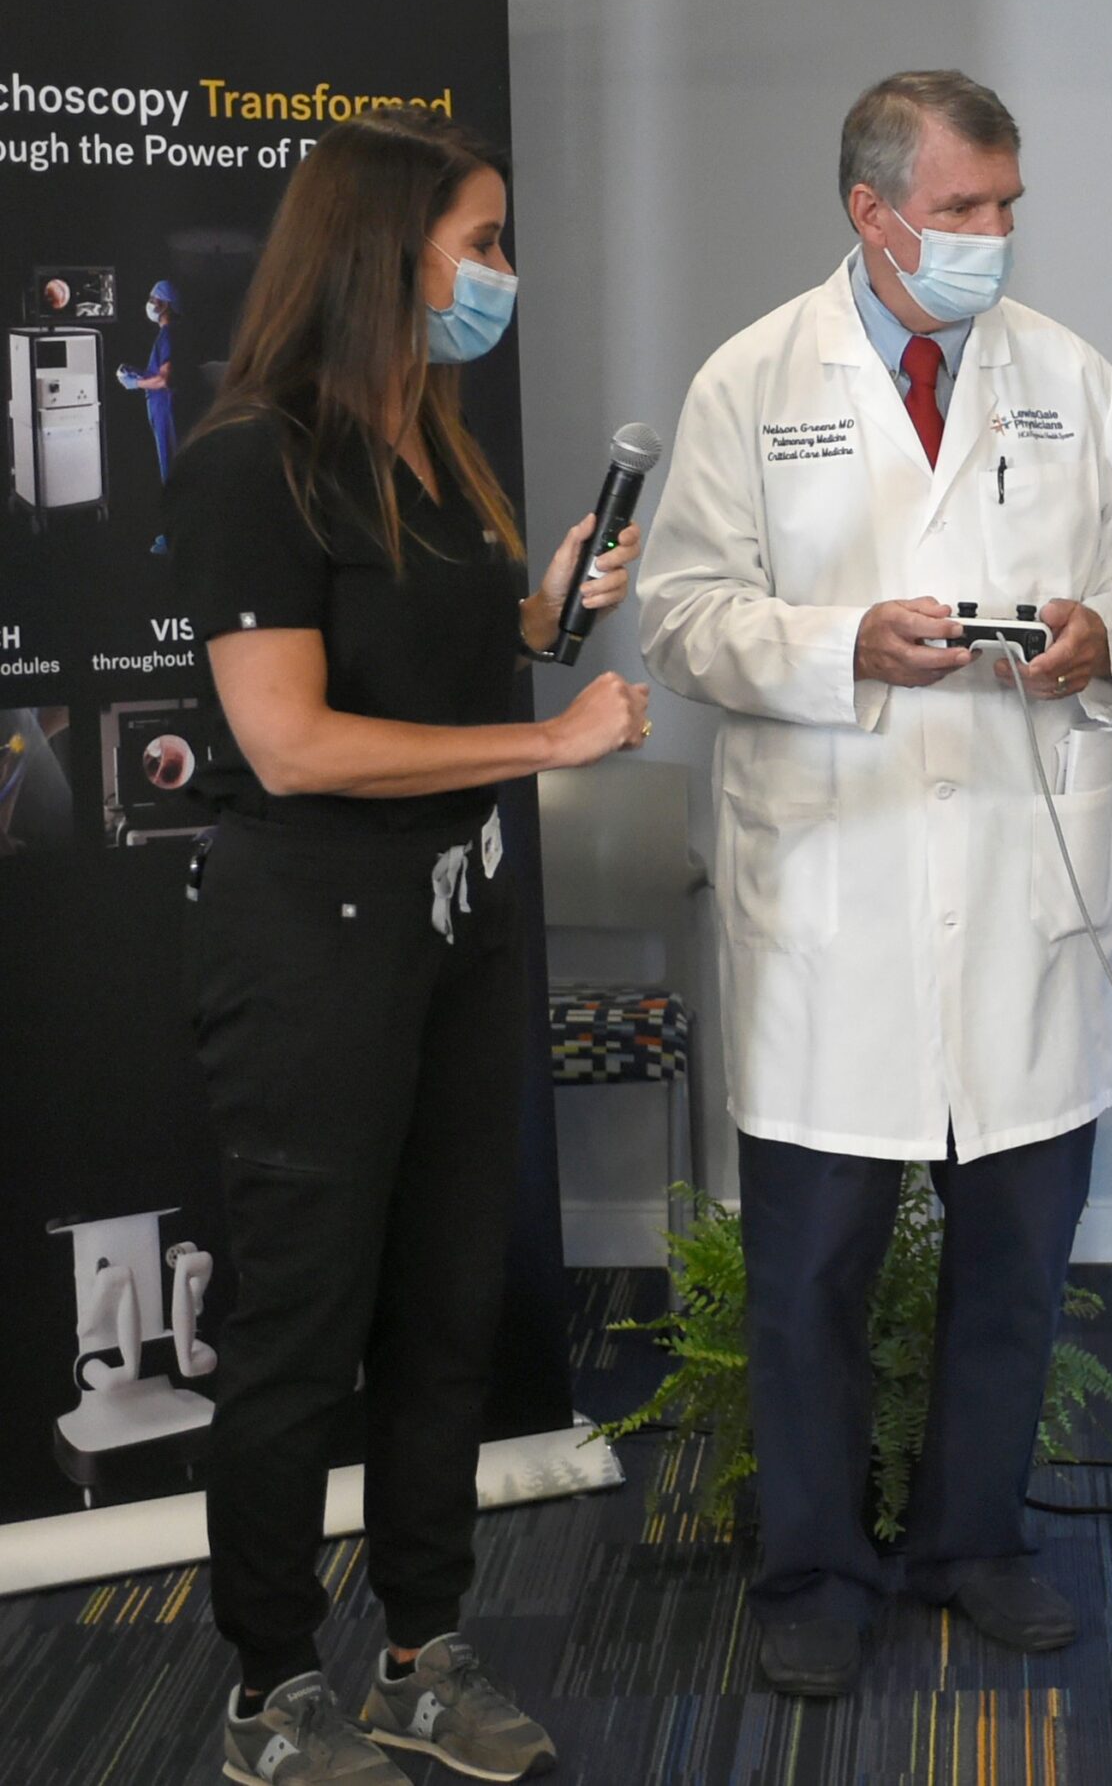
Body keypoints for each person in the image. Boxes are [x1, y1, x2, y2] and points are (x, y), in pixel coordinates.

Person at [638, 69, 1112, 1697]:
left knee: (1016, 1259)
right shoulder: (755, 380)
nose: (993, 238)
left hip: (1025, 889)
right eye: (962, 210)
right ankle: (812, 1567)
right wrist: (838, 647)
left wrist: (1106, 637)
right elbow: (680, 613)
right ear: (873, 214)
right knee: (811, 1271)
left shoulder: (1069, 378)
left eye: (1008, 206)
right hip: (835, 893)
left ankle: (972, 1538)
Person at [167, 108, 651, 1784]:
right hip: (311, 935)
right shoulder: (250, 459)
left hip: (455, 924)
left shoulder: (433, 440)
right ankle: (269, 1685)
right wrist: (549, 742)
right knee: (304, 1327)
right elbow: (293, 739)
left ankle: (424, 1652)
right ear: (390, 252)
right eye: (484, 240)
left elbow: (450, 649)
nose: (502, 274)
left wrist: (550, 611)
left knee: (448, 1307)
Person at [116, 278, 180, 554]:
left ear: (164, 304)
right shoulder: (170, 335)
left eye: (153, 299)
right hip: (163, 408)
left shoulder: (168, 335)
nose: (150, 304)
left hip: (166, 409)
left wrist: (135, 383)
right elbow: (160, 373)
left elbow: (165, 380)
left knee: (172, 472)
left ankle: (174, 538)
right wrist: (139, 373)